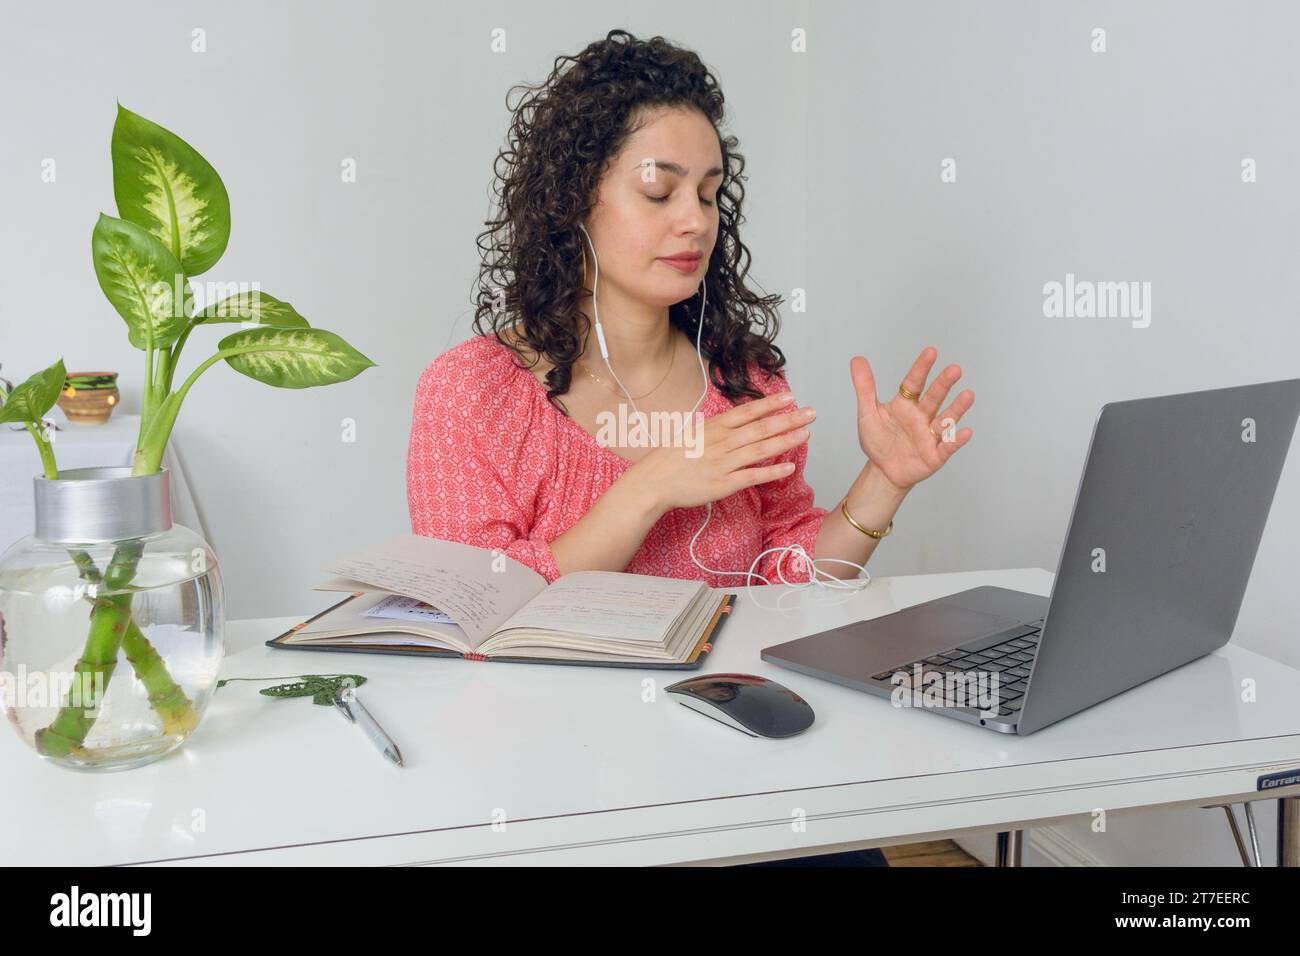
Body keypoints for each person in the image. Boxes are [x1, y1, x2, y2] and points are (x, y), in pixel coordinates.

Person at [407, 30, 975, 867]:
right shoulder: (473, 391)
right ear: (574, 200)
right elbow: (474, 622)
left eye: (709, 194)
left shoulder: (743, 379)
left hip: (746, 764)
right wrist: (653, 485)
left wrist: (883, 484)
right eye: (659, 190)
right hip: (556, 789)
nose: (694, 221)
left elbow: (791, 582)